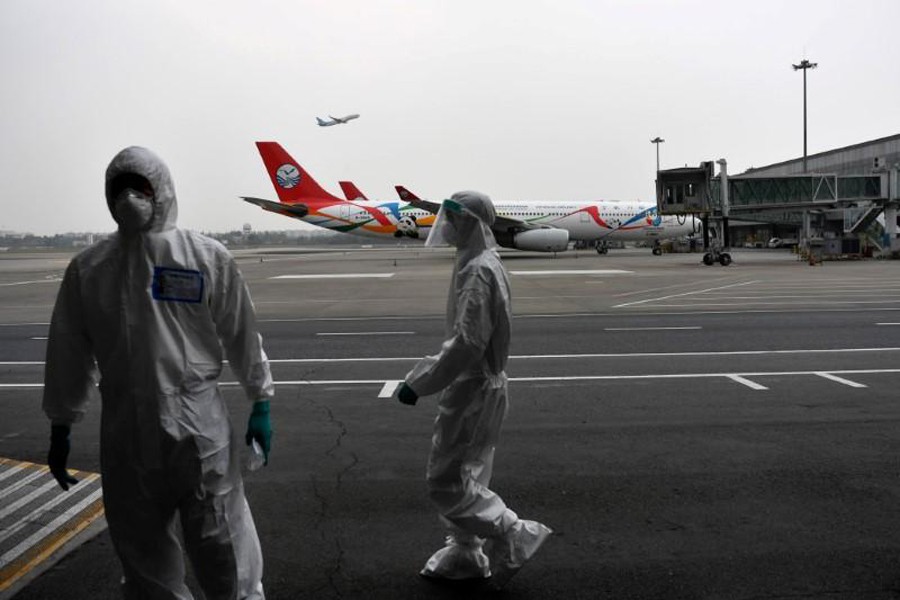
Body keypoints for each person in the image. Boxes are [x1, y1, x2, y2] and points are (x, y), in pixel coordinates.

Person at [43, 146, 274, 600]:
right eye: (118, 188)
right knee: (143, 558)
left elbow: (242, 332)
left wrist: (260, 399)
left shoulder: (206, 257)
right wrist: (60, 422)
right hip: (127, 433)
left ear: (162, 190)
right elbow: (68, 351)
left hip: (199, 430)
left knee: (223, 546)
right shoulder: (89, 268)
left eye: (140, 187)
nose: (129, 197)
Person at [396, 191, 551, 590]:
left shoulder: (478, 271)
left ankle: (514, 531)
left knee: (445, 480)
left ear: (470, 223)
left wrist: (419, 382)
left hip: (473, 388)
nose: (446, 226)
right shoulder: (483, 262)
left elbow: (467, 343)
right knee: (472, 471)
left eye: (453, 218)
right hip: (484, 385)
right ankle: (465, 550)